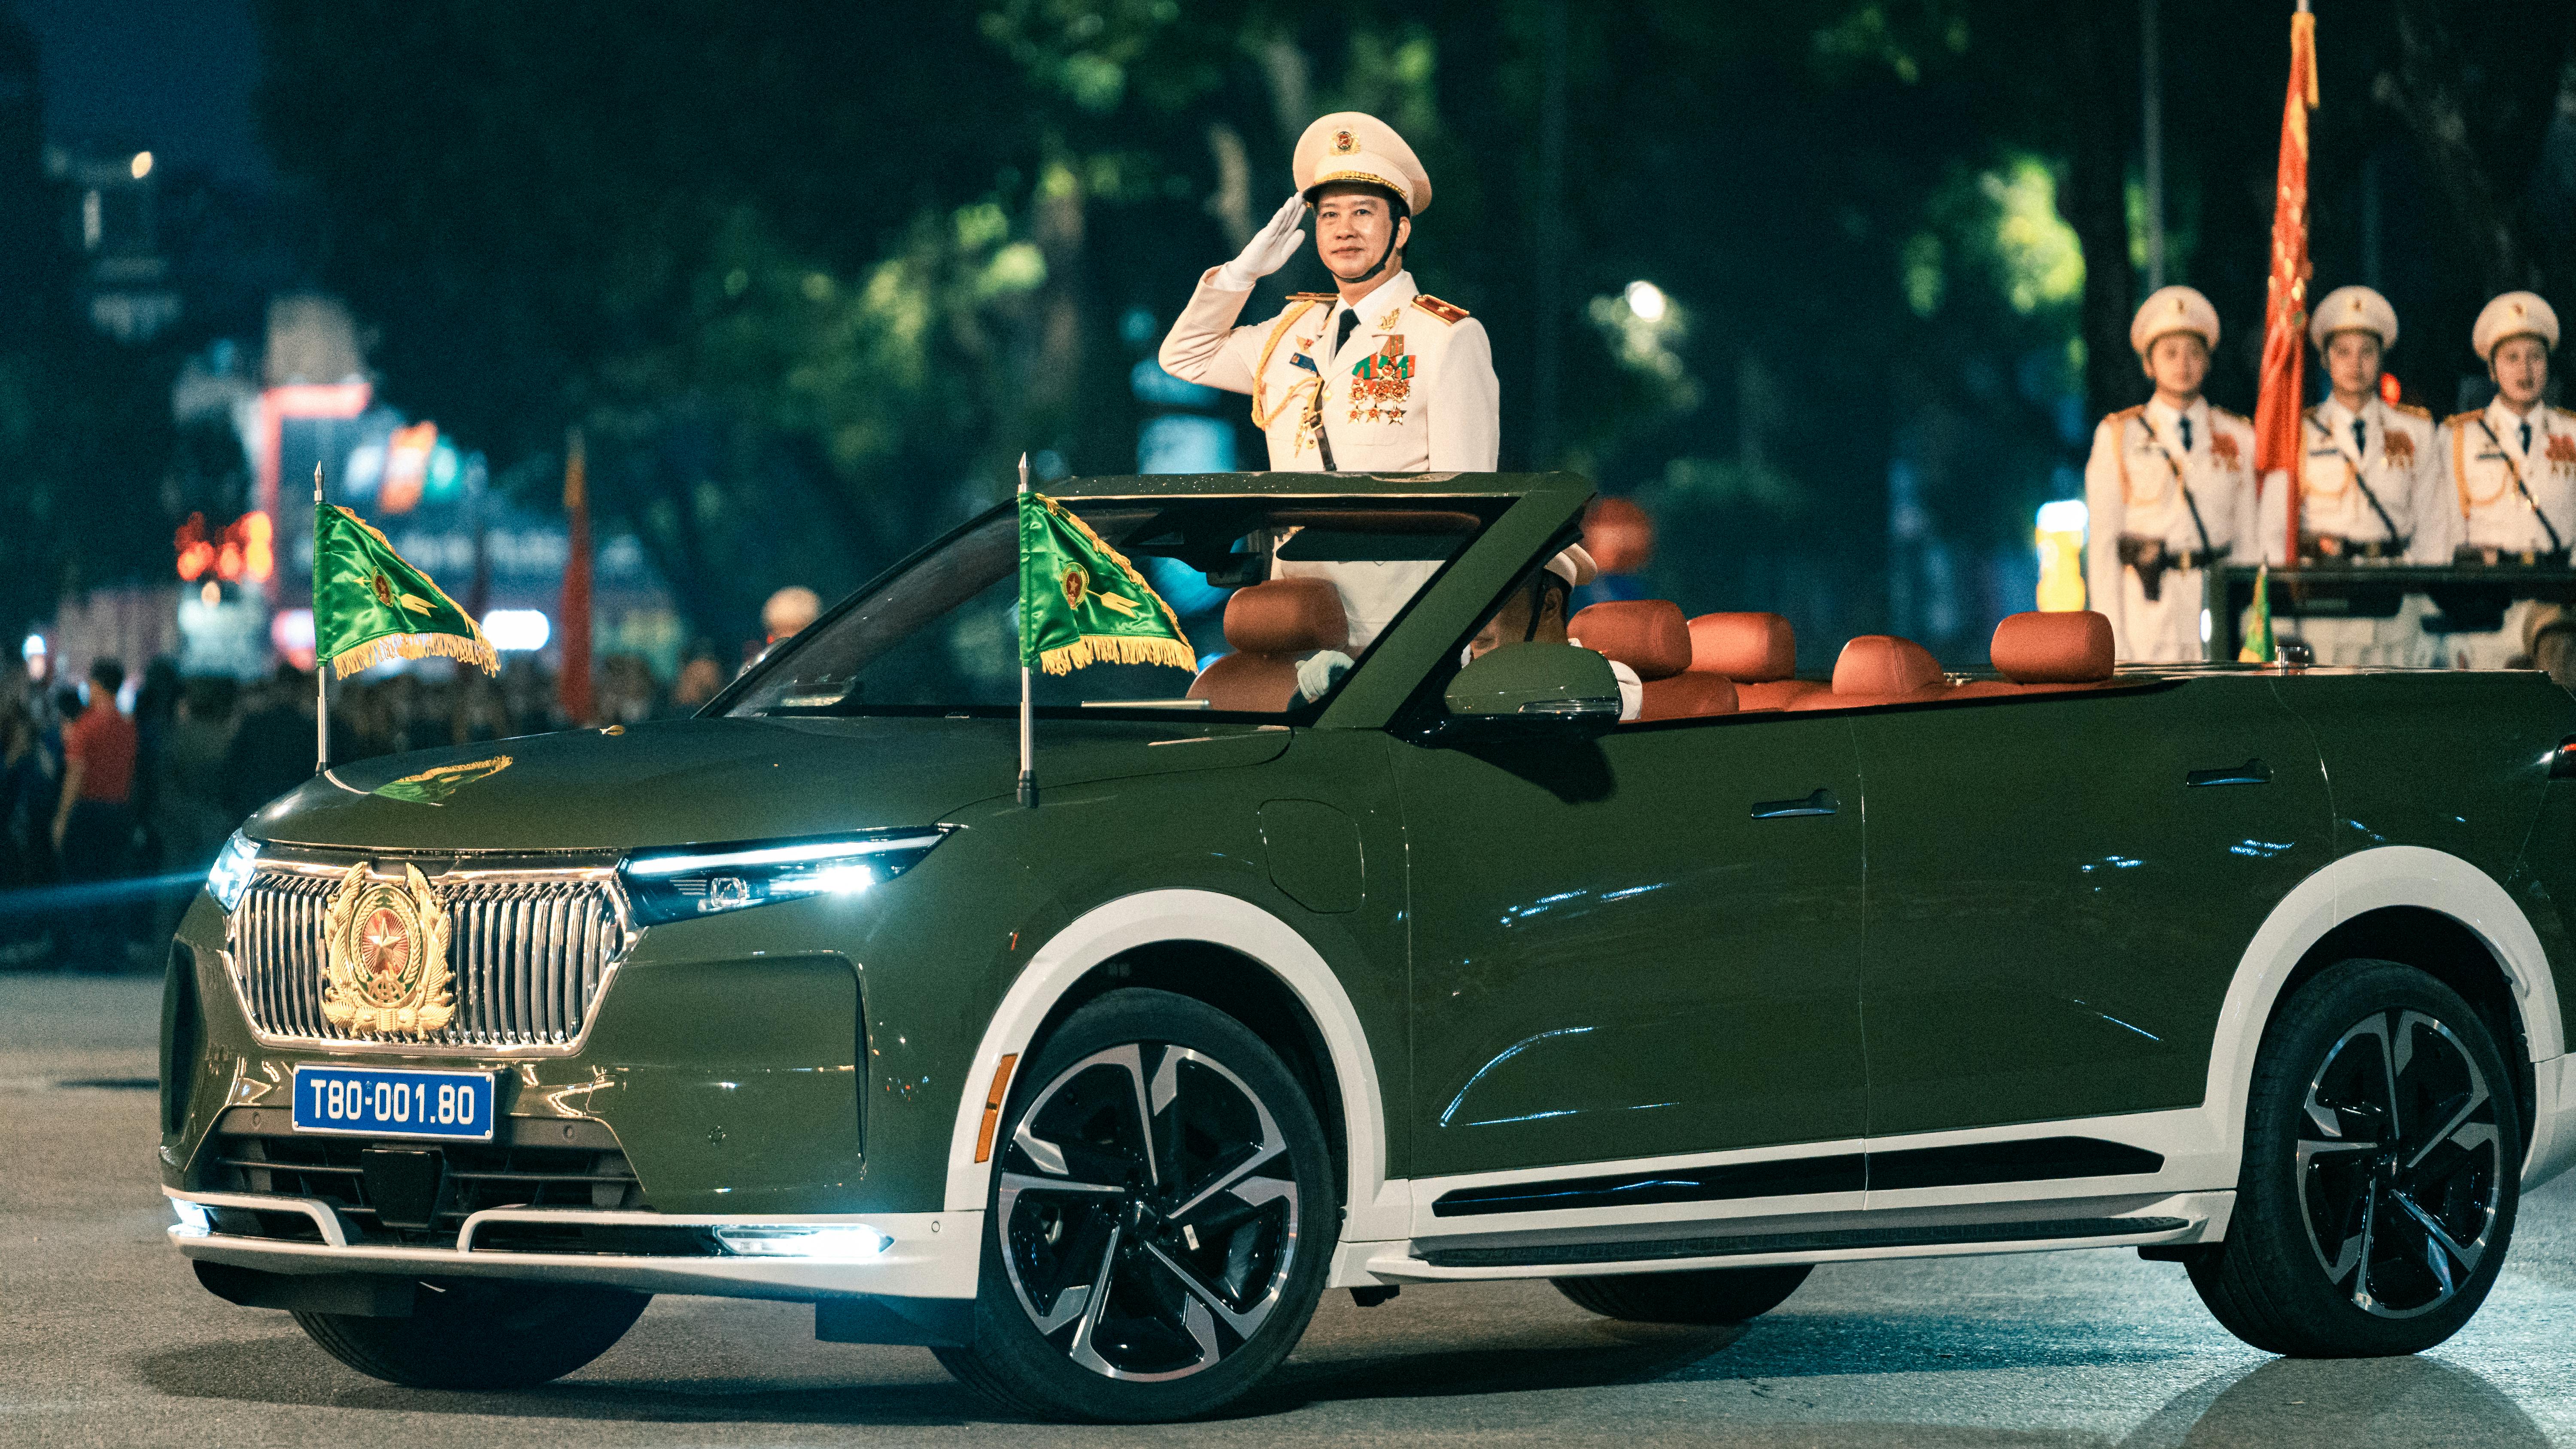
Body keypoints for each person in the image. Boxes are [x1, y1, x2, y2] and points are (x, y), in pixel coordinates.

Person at [1160, 111, 1499, 654]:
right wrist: (1239, 275)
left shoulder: (1445, 337)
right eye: (1329, 215)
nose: (1344, 230)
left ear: (1401, 229)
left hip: (1397, 622)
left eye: (1364, 213)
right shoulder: (1290, 332)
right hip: (1296, 612)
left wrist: (1449, 630)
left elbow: (1469, 507)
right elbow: (1186, 357)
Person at [2253, 285, 2444, 665]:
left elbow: (2433, 527)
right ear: (2324, 359)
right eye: (2342, 352)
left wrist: (2420, 603)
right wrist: (2290, 607)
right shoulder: (2296, 433)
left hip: (2395, 605)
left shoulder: (2415, 431)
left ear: (2381, 357)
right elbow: (2274, 531)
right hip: (2325, 610)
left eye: (2367, 352)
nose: (2355, 364)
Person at [2083, 286, 2260, 662]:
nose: (2183, 364)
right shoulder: (2120, 436)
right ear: (2149, 364)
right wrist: (2115, 645)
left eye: (2195, 352)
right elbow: (2104, 550)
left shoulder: (2239, 437)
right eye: (2170, 353)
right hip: (2147, 615)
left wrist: (2250, 624)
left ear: (2209, 361)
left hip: (2218, 606)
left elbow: (2248, 537)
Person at [2432, 292, 2576, 673]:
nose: (2525, 369)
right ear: (2493, 370)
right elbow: (2443, 534)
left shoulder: (2572, 433)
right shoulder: (2458, 437)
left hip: (2557, 604)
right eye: (2512, 358)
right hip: (2486, 609)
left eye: (2536, 357)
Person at [1463, 544, 1641, 720]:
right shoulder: (1463, 678)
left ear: (1550, 605)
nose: (1475, 620)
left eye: (1493, 602)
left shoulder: (1613, 682)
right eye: (1472, 603)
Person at [52, 658, 138, 970]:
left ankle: (83, 955)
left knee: (83, 883)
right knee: (114, 883)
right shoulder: (129, 727)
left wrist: (61, 818)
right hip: (118, 813)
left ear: (99, 685)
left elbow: (76, 774)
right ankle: (114, 954)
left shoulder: (85, 727)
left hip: (87, 813)